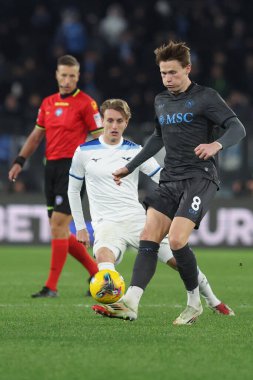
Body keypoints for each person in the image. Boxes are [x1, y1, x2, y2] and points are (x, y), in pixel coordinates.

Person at [100, 41, 246, 325]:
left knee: (177, 240)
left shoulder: (207, 97)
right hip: (170, 177)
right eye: (163, 73)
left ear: (187, 69)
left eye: (173, 73)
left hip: (200, 176)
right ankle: (130, 303)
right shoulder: (161, 100)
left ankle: (194, 302)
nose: (167, 79)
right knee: (148, 237)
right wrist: (129, 167)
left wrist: (216, 144)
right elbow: (157, 138)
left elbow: (237, 127)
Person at [67, 98, 235, 321]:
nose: (114, 126)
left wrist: (180, 203)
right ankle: (120, 303)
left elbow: (163, 178)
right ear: (102, 121)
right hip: (106, 224)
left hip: (138, 220)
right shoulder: (84, 152)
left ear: (126, 122)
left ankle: (214, 301)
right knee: (104, 261)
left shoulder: (136, 151)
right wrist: (80, 227)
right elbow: (73, 190)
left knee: (179, 262)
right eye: (109, 120)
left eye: (119, 121)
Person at [8, 55, 103, 298]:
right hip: (50, 168)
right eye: (64, 75)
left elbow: (100, 137)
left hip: (73, 170)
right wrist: (20, 160)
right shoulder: (48, 103)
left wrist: (98, 165)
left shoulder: (86, 103)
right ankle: (96, 273)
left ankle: (51, 286)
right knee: (58, 228)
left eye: (72, 75)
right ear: (57, 75)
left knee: (58, 226)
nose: (68, 79)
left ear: (78, 76)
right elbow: (36, 136)